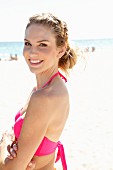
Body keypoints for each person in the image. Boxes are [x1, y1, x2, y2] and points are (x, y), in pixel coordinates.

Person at [0, 12, 77, 170]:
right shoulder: (46, 87)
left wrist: (5, 140)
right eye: (28, 43)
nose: (32, 52)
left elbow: (10, 169)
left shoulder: (44, 97)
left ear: (60, 50)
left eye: (42, 44)